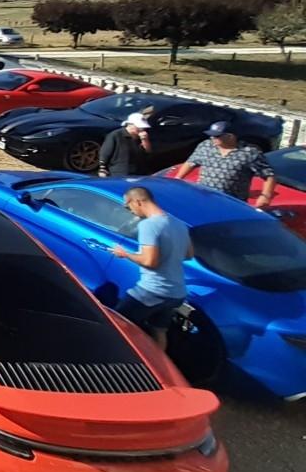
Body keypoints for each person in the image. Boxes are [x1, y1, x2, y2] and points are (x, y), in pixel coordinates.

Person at [111, 186, 192, 347]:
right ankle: (158, 367)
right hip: (176, 293)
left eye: (128, 206)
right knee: (159, 331)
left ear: (138, 201)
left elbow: (150, 261)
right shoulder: (178, 224)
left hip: (152, 291)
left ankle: (117, 363)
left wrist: (125, 254)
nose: (130, 211)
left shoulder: (148, 225)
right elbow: (188, 254)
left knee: (116, 325)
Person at [170, 122, 278, 207]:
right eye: (211, 136)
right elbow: (190, 163)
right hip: (203, 197)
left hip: (231, 202)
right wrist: (177, 179)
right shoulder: (206, 146)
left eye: (217, 136)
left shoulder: (249, 152)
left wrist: (265, 196)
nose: (212, 139)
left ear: (230, 136)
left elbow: (269, 175)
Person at [99, 112, 153, 177]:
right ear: (130, 125)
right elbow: (105, 153)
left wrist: (145, 140)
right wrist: (102, 169)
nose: (142, 129)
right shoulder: (115, 135)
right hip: (120, 173)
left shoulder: (141, 137)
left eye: (143, 127)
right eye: (139, 127)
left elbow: (148, 151)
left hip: (138, 173)